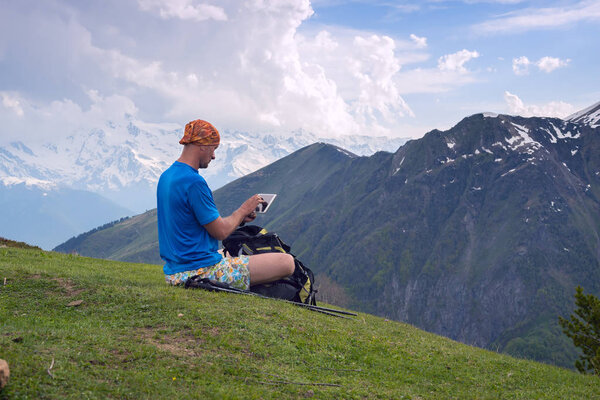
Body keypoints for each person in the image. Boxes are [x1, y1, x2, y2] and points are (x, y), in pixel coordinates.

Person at [156, 119, 295, 290]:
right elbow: (220, 231)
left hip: (174, 270)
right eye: (213, 149)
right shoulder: (194, 182)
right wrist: (244, 208)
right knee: (287, 262)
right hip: (199, 271)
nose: (213, 156)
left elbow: (197, 225)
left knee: (231, 251)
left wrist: (241, 218)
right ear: (203, 146)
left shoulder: (167, 176)